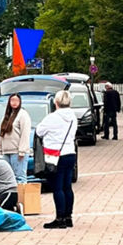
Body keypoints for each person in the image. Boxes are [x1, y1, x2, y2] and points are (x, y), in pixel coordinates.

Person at [37, 90, 79, 229]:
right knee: (67, 186)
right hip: (70, 153)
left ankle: (59, 218)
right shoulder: (73, 117)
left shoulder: (52, 118)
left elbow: (39, 131)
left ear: (56, 102)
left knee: (57, 187)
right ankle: (68, 217)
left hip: (55, 155)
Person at [0, 94, 31, 183]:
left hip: (17, 152)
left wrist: (22, 150)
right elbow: (1, 134)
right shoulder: (7, 115)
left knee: (19, 177)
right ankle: (13, 196)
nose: (14, 103)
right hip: (6, 152)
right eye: (12, 100)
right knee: (8, 178)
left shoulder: (23, 114)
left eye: (16, 101)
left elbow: (25, 133)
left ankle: (22, 196)